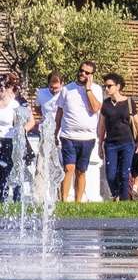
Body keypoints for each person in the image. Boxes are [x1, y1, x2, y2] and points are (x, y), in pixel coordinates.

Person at [50, 61, 102, 204]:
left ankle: (78, 203)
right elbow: (59, 112)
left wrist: (88, 89)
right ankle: (64, 201)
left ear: (92, 75)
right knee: (69, 167)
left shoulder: (96, 89)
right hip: (68, 136)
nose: (82, 74)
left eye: (87, 72)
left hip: (88, 137)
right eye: (81, 70)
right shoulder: (67, 89)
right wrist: (55, 132)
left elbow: (95, 108)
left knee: (81, 170)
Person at [97, 72, 138, 201]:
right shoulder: (106, 104)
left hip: (127, 143)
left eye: (109, 86)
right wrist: (100, 144)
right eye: (105, 86)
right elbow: (102, 125)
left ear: (118, 86)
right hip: (110, 144)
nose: (107, 89)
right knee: (110, 175)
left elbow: (137, 123)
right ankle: (116, 194)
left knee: (125, 174)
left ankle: (124, 201)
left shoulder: (129, 102)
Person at [0, 73, 25, 204]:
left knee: (7, 170)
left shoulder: (14, 105)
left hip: (9, 141)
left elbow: (22, 123)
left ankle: (14, 199)